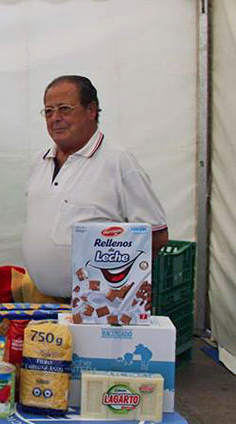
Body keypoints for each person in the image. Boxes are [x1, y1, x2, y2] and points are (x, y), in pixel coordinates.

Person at [20, 75, 168, 300]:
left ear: (91, 110)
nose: (55, 118)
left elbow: (156, 235)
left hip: (97, 308)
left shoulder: (118, 162)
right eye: (48, 111)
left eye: (64, 109)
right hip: (43, 300)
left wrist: (118, 288)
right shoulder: (38, 161)